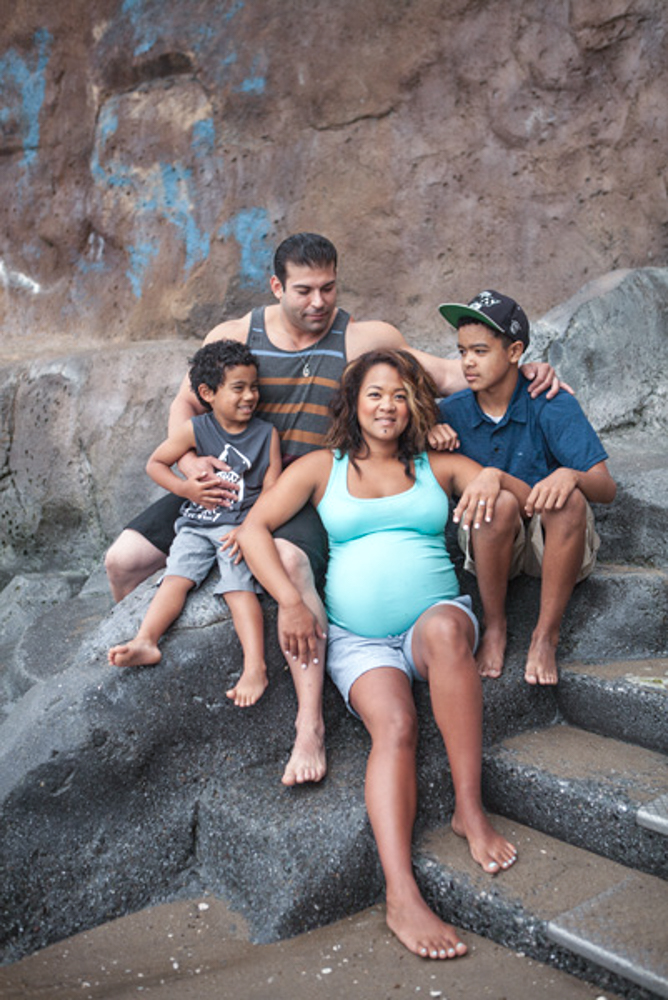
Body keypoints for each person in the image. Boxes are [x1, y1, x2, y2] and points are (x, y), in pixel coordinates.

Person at [104, 233, 560, 785]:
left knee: (292, 568)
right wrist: (193, 459)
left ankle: (309, 724)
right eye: (303, 290)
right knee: (123, 560)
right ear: (276, 287)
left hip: (304, 488)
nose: (318, 302)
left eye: (328, 287)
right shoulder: (232, 335)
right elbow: (187, 401)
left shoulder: (362, 337)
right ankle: (138, 661)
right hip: (222, 479)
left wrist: (528, 373)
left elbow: (444, 374)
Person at [237, 349, 532, 960]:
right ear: (353, 403)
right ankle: (401, 893)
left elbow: (520, 498)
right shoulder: (323, 466)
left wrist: (489, 475)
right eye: (375, 394)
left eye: (399, 395)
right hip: (357, 638)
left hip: (434, 620)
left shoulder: (436, 463)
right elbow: (252, 529)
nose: (388, 406)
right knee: (394, 726)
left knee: (451, 635)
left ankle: (469, 812)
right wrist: (291, 602)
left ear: (415, 404)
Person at [437, 290, 617, 685]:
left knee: (567, 501)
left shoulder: (550, 402)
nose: (467, 361)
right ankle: (496, 626)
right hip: (490, 542)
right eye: (462, 350)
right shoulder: (450, 412)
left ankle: (544, 636)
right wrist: (427, 427)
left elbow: (606, 488)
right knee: (497, 504)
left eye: (480, 351)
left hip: (553, 546)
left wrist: (571, 475)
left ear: (515, 351)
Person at [108, 341, 282, 707]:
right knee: (176, 579)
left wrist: (250, 527)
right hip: (194, 525)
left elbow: (272, 488)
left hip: (236, 527)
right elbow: (155, 463)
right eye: (238, 388)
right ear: (207, 393)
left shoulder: (266, 435)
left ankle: (254, 666)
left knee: (238, 589)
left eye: (254, 386)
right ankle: (146, 640)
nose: (250, 396)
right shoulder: (195, 430)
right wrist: (185, 488)